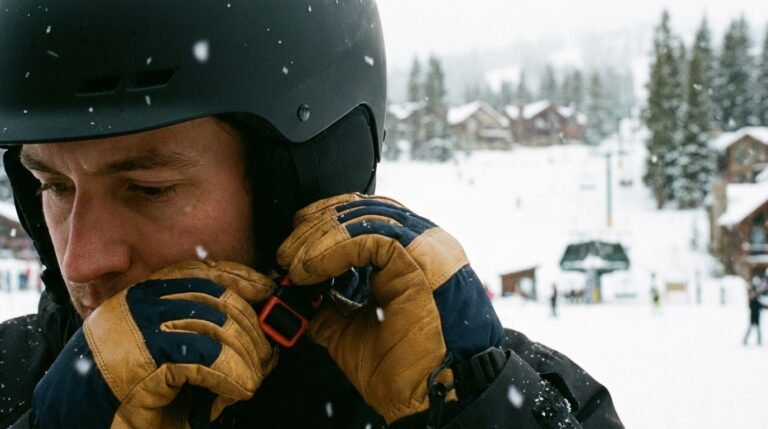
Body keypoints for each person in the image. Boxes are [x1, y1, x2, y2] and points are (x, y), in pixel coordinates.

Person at [0, 1, 624, 428]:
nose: (80, 260)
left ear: (299, 184)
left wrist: (476, 409)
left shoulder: (510, 395)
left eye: (148, 189)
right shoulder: (13, 378)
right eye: (53, 186)